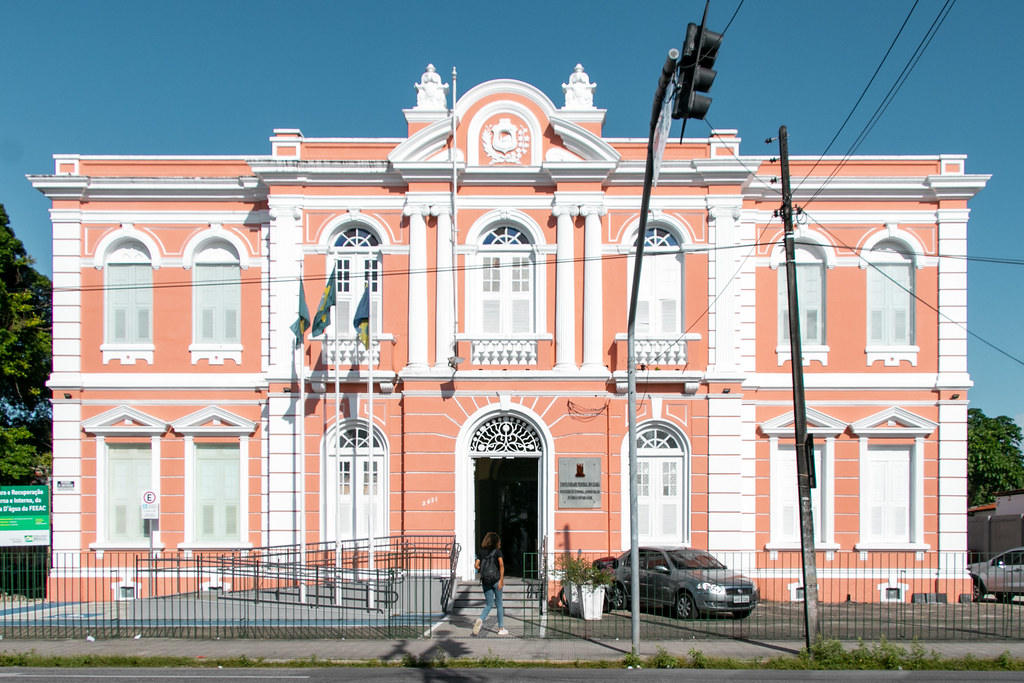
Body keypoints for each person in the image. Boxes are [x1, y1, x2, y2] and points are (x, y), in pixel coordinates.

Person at [473, 531, 508, 636]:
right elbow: (501, 565)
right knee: (499, 604)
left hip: (485, 581)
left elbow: (476, 565)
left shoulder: (481, 552)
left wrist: (483, 571)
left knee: (489, 604)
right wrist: (501, 580)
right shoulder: (497, 552)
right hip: (496, 580)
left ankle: (481, 619)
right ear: (497, 541)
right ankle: (501, 628)